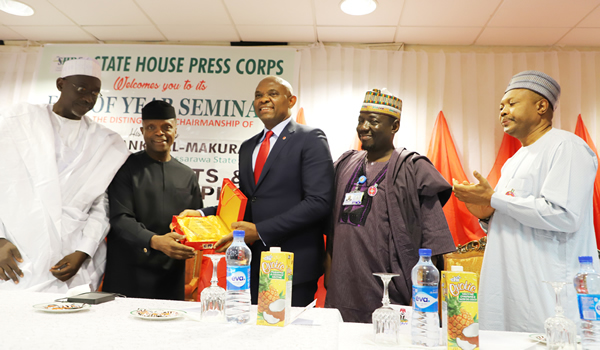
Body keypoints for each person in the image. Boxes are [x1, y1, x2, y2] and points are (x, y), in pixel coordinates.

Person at [452, 70, 599, 332]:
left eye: (511, 103)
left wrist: (495, 199)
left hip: (549, 286)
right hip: (510, 283)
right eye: (500, 107)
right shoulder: (514, 161)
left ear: (541, 106)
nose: (502, 111)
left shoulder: (567, 147)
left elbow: (565, 215)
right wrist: (485, 213)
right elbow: (513, 216)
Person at [181, 76, 334, 307]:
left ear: (291, 100)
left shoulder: (310, 138)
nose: (264, 100)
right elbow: (247, 201)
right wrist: (202, 215)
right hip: (249, 263)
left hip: (292, 263)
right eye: (258, 95)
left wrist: (260, 231)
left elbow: (318, 202)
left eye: (272, 94)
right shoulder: (247, 147)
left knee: (284, 338)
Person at [324, 88, 456, 323]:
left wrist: (425, 294)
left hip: (391, 288)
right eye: (360, 120)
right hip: (343, 286)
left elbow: (433, 238)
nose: (363, 127)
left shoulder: (413, 168)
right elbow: (331, 228)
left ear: (394, 126)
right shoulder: (344, 164)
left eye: (373, 121)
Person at [0, 58, 129, 292]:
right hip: (15, 249)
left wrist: (84, 251)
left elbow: (102, 205)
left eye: (95, 93)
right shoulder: (17, 121)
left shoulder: (107, 142)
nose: (88, 98)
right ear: (60, 84)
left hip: (69, 254)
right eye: (81, 89)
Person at [102, 100, 202, 300]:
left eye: (166, 127)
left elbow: (194, 223)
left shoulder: (187, 175)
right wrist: (155, 241)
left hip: (170, 276)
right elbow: (120, 219)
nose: (159, 132)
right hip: (128, 273)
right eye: (151, 127)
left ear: (176, 130)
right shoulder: (125, 168)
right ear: (142, 131)